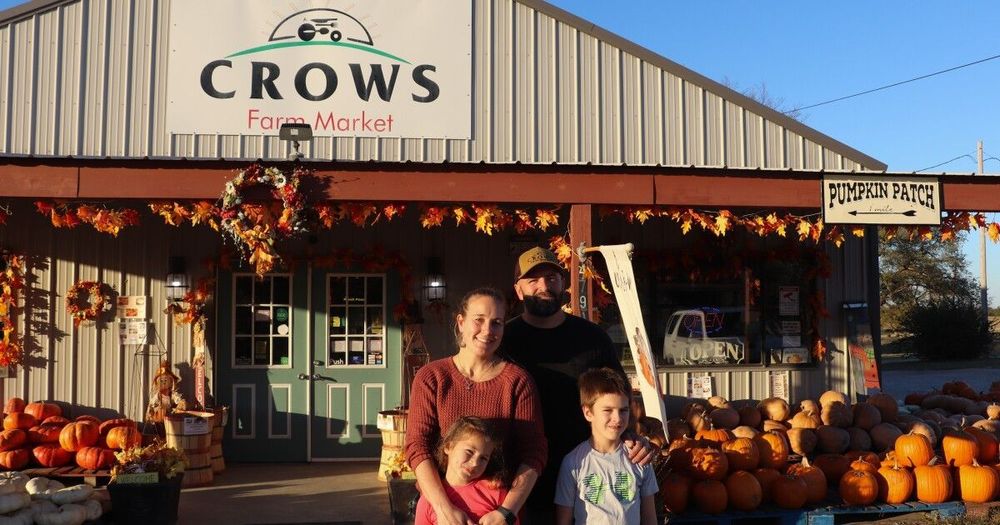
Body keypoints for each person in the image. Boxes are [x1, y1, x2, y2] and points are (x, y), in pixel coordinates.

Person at [499, 247, 654, 520]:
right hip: (520, 480)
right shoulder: (504, 340)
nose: (544, 286)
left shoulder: (592, 337)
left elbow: (619, 393)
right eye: (533, 280)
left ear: (563, 284)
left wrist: (630, 433)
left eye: (552, 278)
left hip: (589, 478)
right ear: (518, 291)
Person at [405, 287, 547, 525]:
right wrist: (443, 509)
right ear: (461, 322)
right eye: (478, 320)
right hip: (439, 509)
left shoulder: (517, 381)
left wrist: (506, 512)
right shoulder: (432, 377)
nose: (487, 330)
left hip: (496, 511)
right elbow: (417, 447)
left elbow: (534, 452)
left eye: (496, 323)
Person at [554, 368, 658, 524]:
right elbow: (564, 520)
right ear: (588, 413)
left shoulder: (639, 458)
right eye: (608, 410)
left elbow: (650, 518)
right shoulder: (573, 463)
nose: (617, 418)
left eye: (623, 410)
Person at [415, 416, 514, 524]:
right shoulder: (428, 501)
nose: (475, 463)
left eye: (483, 458)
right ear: (448, 446)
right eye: (469, 452)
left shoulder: (496, 492)